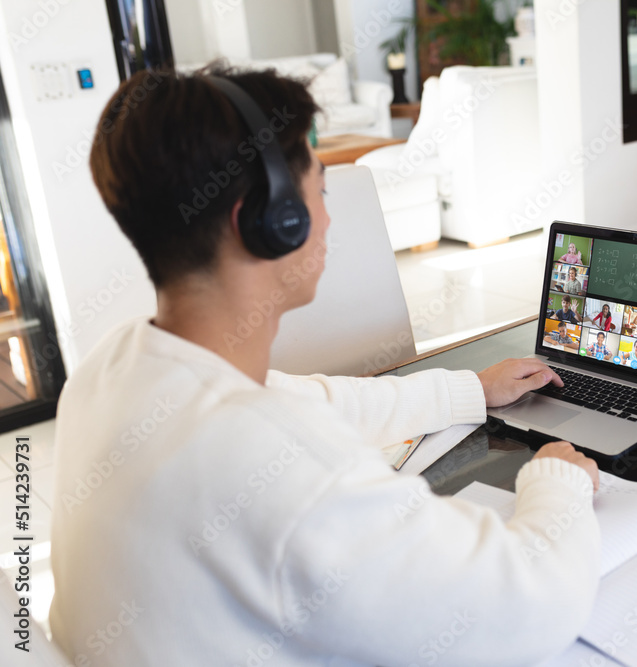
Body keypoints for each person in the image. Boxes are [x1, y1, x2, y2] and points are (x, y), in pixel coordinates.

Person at [49, 66, 603, 667]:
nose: (330, 219)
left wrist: (471, 389)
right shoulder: (280, 471)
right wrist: (557, 480)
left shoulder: (113, 367)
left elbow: (306, 402)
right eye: (321, 191)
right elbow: (528, 606)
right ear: (271, 220)